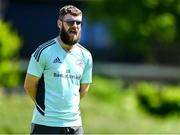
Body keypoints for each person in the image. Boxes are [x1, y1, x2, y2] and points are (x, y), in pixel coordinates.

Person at [24, 5, 93, 134]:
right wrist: (46, 108)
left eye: (78, 22)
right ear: (60, 24)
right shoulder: (43, 51)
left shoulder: (86, 56)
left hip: (74, 125)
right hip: (45, 123)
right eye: (70, 22)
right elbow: (29, 85)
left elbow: (84, 89)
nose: (75, 26)